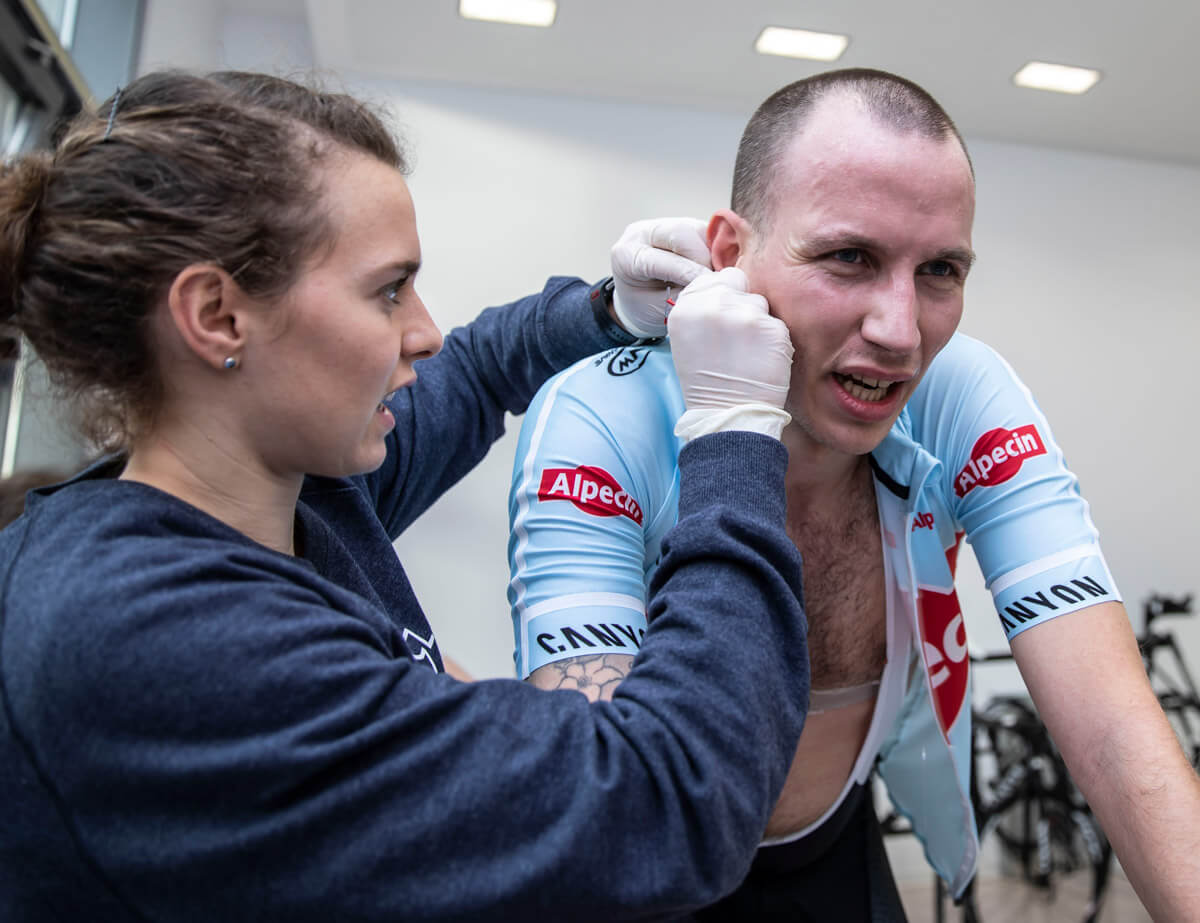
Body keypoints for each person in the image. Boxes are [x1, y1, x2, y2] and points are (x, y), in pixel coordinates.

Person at [0, 70, 814, 921]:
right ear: (217, 315)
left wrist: (610, 311)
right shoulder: (156, 639)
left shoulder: (295, 494)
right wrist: (733, 434)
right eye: (388, 290)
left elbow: (477, 367)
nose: (422, 331)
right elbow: (666, 802)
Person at [508, 68, 1200, 920]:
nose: (900, 332)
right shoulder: (600, 416)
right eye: (849, 257)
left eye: (940, 269)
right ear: (729, 257)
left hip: (836, 842)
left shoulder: (960, 392)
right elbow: (617, 810)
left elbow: (1111, 729)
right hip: (652, 872)